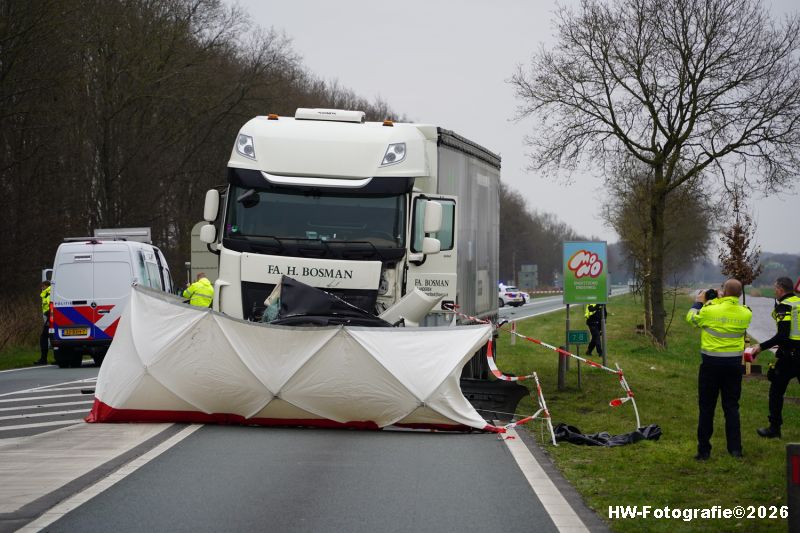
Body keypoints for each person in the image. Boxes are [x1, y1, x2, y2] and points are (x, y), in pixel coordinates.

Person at [686, 279, 752, 460]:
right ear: (739, 294)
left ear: (724, 291)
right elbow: (729, 313)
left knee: (706, 407)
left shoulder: (709, 310)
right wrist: (721, 299)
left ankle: (704, 451)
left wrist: (700, 301)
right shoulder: (745, 313)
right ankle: (735, 449)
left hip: (710, 366)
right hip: (733, 366)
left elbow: (691, 318)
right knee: (731, 407)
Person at [750, 277, 800, 439]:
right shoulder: (798, 303)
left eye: (774, 288)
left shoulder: (784, 306)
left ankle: (774, 428)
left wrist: (760, 347)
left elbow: (783, 335)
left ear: (780, 289)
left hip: (791, 357)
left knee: (776, 391)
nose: (773, 291)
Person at [34, 281, 51, 365]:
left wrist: (49, 313)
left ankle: (43, 359)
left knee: (44, 337)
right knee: (51, 336)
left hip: (51, 316)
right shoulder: (47, 292)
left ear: (46, 286)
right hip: (51, 316)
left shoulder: (48, 292)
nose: (41, 288)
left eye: (42, 286)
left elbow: (50, 304)